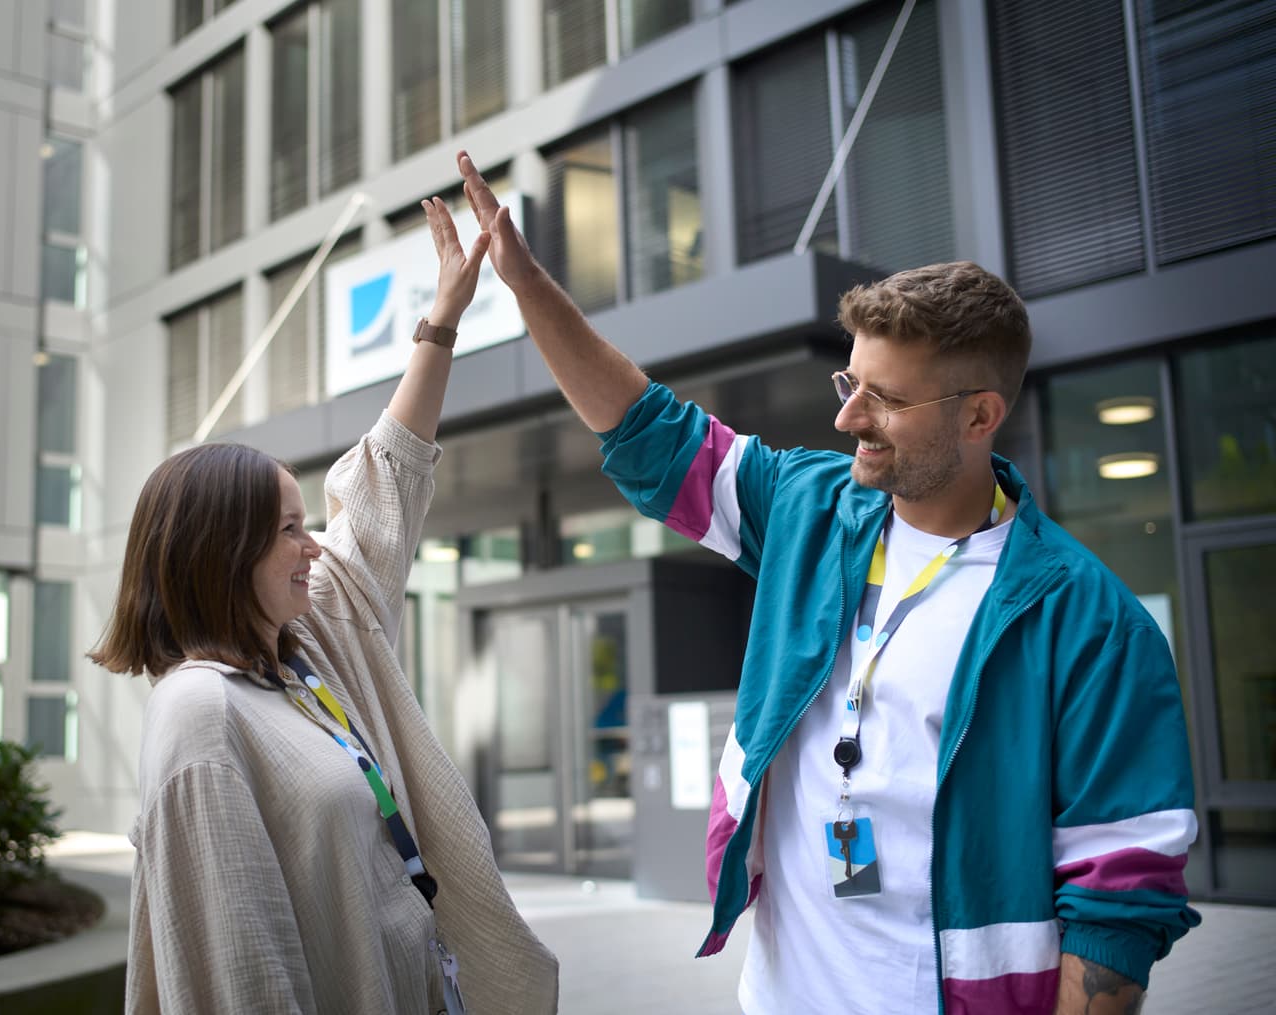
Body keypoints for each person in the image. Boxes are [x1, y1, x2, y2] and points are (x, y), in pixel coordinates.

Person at [451, 150, 1198, 1015]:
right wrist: (527, 283)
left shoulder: (1091, 622)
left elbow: (1118, 900)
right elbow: (649, 434)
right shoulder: (811, 508)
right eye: (850, 381)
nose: (847, 417)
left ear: (980, 416)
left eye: (883, 398)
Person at [90, 196, 559, 1014]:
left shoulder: (299, 655)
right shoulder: (200, 714)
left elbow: (385, 482)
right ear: (221, 556)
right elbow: (240, 966)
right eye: (290, 529)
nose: (315, 547)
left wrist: (441, 324)